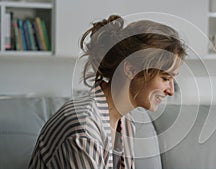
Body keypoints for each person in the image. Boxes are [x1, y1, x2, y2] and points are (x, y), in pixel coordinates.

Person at [28, 14, 186, 169]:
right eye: (165, 78)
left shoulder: (124, 122)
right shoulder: (85, 129)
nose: (171, 91)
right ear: (130, 69)